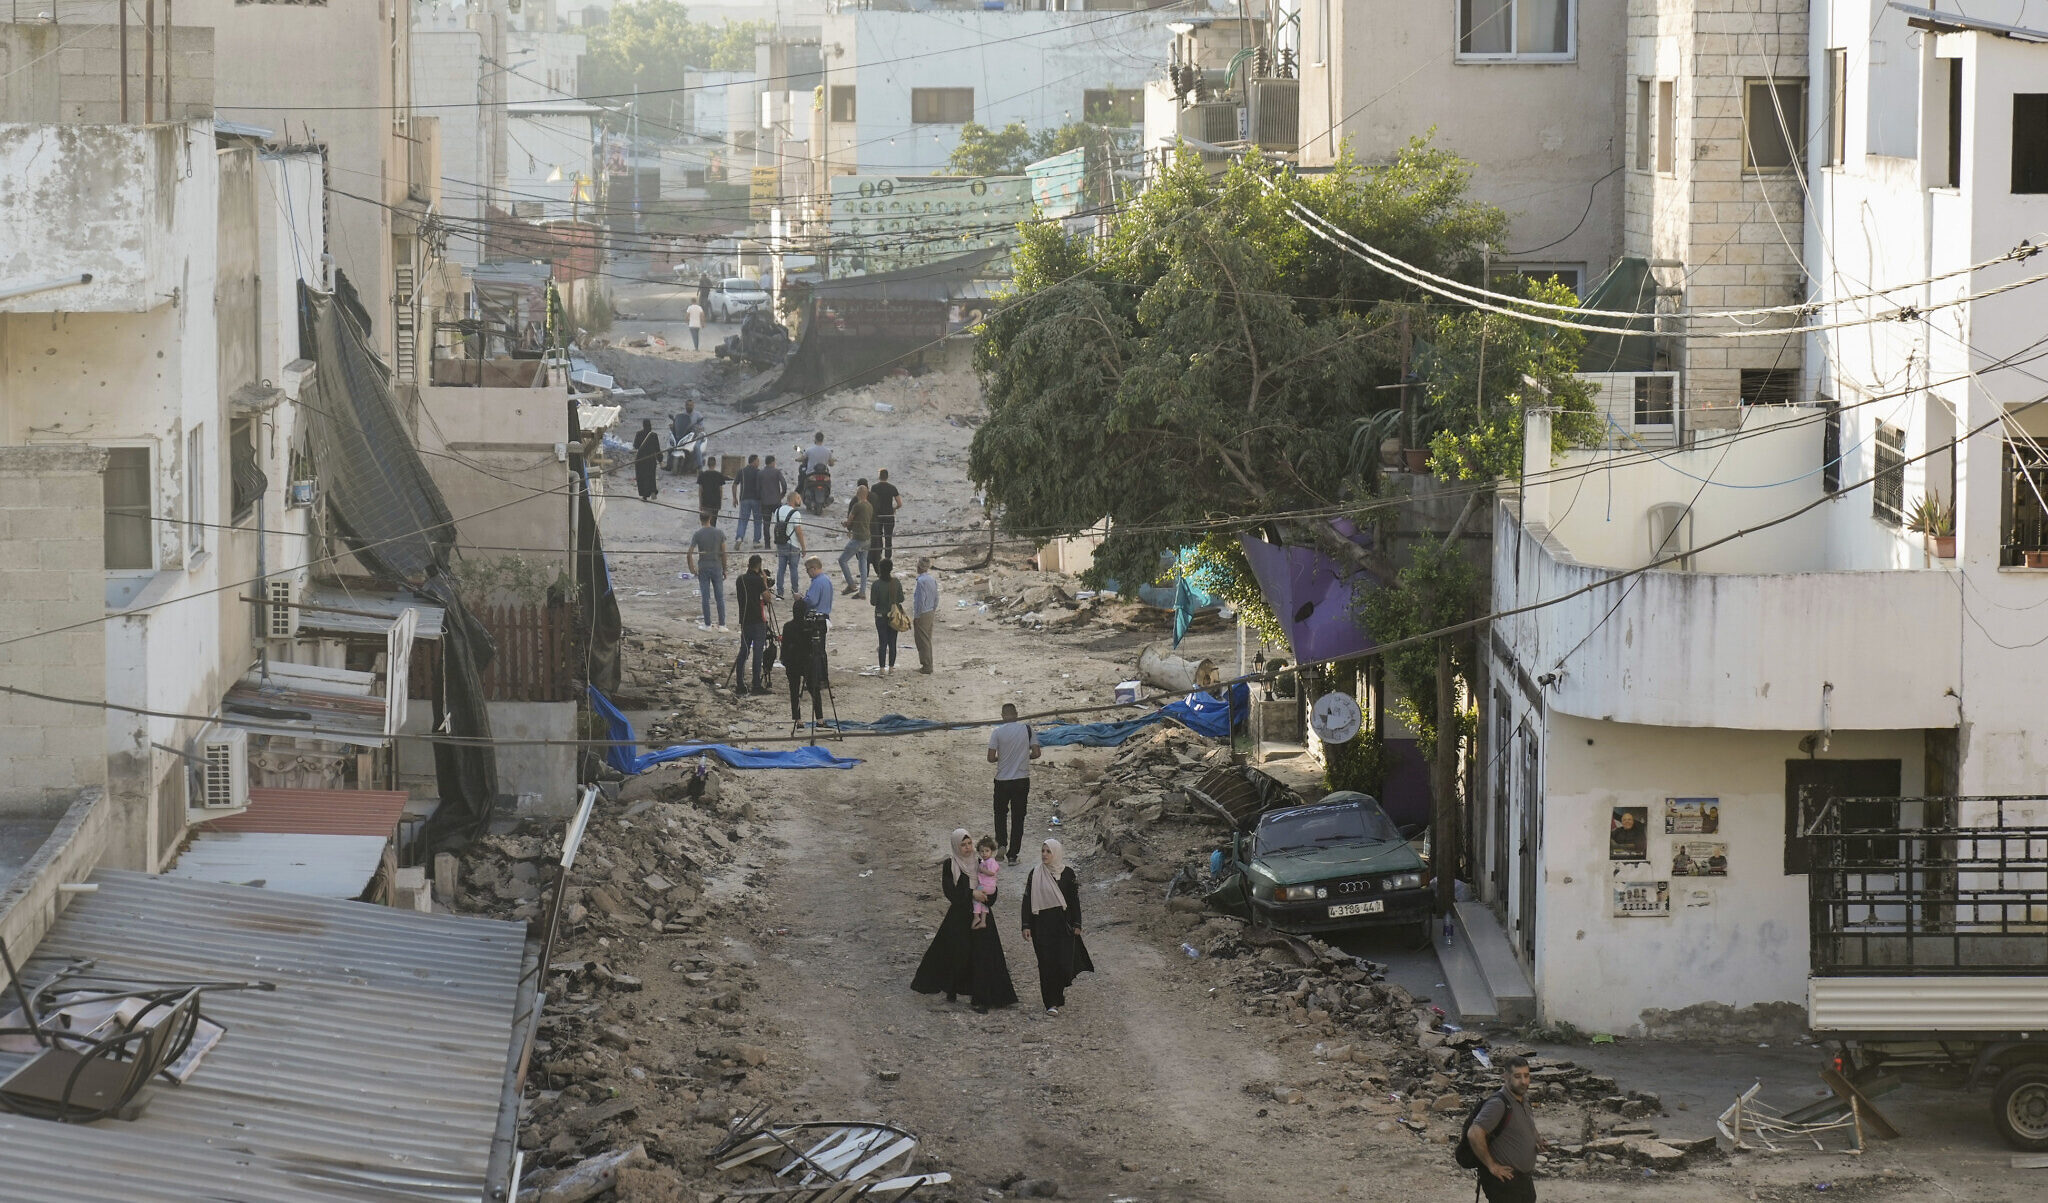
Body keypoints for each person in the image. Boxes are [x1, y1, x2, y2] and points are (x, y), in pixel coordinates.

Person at [911, 829, 1018, 1012]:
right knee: (957, 954)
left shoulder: (980, 863)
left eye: (969, 844)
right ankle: (953, 989)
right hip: (960, 916)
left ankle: (982, 998)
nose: (967, 848)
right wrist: (971, 894)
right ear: (956, 846)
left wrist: (986, 897)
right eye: (963, 844)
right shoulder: (950, 865)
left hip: (981, 914)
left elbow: (991, 886)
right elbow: (950, 892)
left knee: (984, 956)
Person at [1020, 838, 1092, 1015]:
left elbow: (1073, 900)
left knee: (1061, 962)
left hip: (1062, 925)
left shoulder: (1067, 874)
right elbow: (1027, 900)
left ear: (1056, 853)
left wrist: (1077, 923)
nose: (1044, 854)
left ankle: (1058, 997)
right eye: (1043, 851)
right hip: (1041, 926)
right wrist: (1026, 924)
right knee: (1045, 964)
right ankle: (1050, 1002)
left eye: (1048, 851)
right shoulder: (1035, 873)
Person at [1468, 1056, 1543, 1203]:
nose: (1523, 1081)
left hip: (1523, 1180)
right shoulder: (1498, 1103)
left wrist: (1537, 1141)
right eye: (1517, 1076)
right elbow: (1474, 1133)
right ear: (1506, 1076)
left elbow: (1527, 1127)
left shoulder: (1523, 1099)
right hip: (1504, 1183)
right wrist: (1492, 1166)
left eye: (1526, 1076)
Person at [987, 703, 1040, 864]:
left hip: (1002, 780)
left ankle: (1001, 843)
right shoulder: (1027, 729)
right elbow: (1036, 753)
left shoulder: (997, 733)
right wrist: (1024, 758)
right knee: (1018, 818)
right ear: (1016, 714)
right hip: (1021, 780)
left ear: (1003, 716)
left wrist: (1001, 759)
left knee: (1000, 814)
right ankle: (1012, 855)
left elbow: (990, 758)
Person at [732, 554, 773, 694]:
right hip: (757, 620)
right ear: (759, 565)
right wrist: (765, 582)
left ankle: (740, 684)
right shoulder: (758, 580)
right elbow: (768, 598)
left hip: (744, 620)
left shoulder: (740, 579)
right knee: (757, 653)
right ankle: (756, 685)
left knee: (743, 651)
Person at [781, 598, 826, 726]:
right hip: (807, 661)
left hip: (792, 662)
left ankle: (797, 719)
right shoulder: (809, 626)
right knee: (814, 689)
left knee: (794, 691)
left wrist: (784, 659)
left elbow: (785, 646)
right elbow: (815, 644)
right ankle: (820, 718)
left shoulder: (788, 626)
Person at [686, 513, 729, 630]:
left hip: (703, 567)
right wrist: (725, 569)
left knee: (705, 597)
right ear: (710, 518)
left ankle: (707, 624)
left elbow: (689, 552)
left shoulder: (698, 534)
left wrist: (692, 568)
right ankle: (722, 625)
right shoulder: (719, 533)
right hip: (717, 566)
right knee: (719, 597)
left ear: (700, 520)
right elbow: (723, 553)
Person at [868, 557, 904, 674]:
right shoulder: (896, 582)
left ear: (879, 569)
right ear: (891, 569)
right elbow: (901, 599)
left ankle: (882, 668)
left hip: (880, 616)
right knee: (892, 642)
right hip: (894, 616)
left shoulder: (876, 584)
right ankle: (892, 667)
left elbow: (873, 602)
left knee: (882, 642)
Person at [771, 489, 807, 598]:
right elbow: (798, 531)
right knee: (793, 569)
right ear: (795, 499)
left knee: (781, 568)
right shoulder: (795, 513)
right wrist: (803, 547)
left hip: (781, 543)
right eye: (799, 498)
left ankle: (779, 592)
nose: (800, 500)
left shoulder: (778, 510)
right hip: (793, 544)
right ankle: (795, 591)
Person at [840, 483, 873, 597]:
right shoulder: (869, 506)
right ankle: (862, 592)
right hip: (867, 539)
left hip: (858, 538)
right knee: (863, 564)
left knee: (842, 560)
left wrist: (845, 525)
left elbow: (849, 521)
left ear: (858, 494)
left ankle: (851, 585)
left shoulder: (857, 506)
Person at [868, 469, 904, 561]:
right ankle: (888, 559)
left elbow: (871, 501)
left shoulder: (874, 488)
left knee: (878, 537)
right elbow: (899, 503)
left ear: (879, 476)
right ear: (887, 477)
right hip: (889, 516)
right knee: (888, 538)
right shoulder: (892, 488)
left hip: (878, 516)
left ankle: (878, 557)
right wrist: (894, 509)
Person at [911, 557, 940, 674]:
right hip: (930, 611)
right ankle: (928, 664)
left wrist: (917, 616)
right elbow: (936, 597)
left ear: (919, 567)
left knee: (922, 640)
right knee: (927, 639)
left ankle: (927, 666)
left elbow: (919, 601)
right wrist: (933, 609)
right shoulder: (932, 580)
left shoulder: (921, 582)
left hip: (922, 613)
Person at [733, 454, 764, 546]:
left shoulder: (742, 471)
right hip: (757, 500)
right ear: (754, 461)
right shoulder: (759, 472)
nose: (758, 463)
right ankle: (756, 541)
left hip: (744, 499)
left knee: (743, 520)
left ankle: (739, 538)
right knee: (758, 521)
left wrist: (734, 498)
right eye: (758, 461)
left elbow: (734, 485)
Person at [757, 456, 788, 547]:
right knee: (780, 522)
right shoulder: (777, 472)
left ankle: (767, 544)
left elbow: (757, 488)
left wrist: (761, 498)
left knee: (766, 524)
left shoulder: (760, 473)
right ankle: (780, 541)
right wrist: (781, 495)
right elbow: (784, 484)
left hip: (765, 502)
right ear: (772, 462)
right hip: (776, 501)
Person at [972, 835, 1001, 929]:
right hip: (989, 887)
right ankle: (983, 921)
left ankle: (976, 916)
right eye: (982, 851)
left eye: (987, 851)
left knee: (975, 897)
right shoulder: (984, 861)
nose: (984, 853)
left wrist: (982, 869)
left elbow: (992, 873)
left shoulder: (991, 862)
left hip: (986, 886)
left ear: (992, 851)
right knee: (984, 902)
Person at [630, 418, 662, 501]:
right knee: (651, 478)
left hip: (640, 460)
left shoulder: (639, 434)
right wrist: (660, 460)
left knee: (642, 478)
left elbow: (636, 446)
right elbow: (657, 449)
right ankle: (653, 495)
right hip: (651, 460)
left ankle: (645, 496)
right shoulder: (653, 435)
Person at [802, 555, 835, 621]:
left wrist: (801, 599)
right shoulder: (826, 579)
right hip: (825, 617)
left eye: (807, 569)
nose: (807, 572)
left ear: (813, 568)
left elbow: (812, 601)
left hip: (816, 619)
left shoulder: (817, 582)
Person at [697, 458, 728, 525]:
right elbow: (720, 490)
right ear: (715, 464)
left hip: (705, 501)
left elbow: (700, 490)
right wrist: (720, 502)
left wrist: (700, 503)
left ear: (707, 464)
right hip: (715, 502)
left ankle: (706, 533)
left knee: (705, 521)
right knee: (713, 521)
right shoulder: (719, 475)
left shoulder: (702, 475)